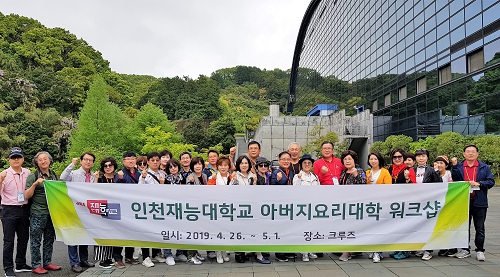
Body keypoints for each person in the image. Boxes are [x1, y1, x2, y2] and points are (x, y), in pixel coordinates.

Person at [451, 145, 495, 261]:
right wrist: (454, 166)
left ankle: (480, 250)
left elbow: (491, 182)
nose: (471, 154)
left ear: (477, 154)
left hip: (479, 201)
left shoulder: (484, 167)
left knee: (479, 227)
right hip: (463, 201)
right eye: (468, 152)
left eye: (473, 152)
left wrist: (479, 183)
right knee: (464, 227)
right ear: (464, 154)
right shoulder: (459, 166)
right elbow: (455, 180)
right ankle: (465, 249)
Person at [24, 151, 62, 274]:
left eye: (45, 159)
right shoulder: (33, 176)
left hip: (52, 212)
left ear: (50, 161)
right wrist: (35, 184)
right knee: (36, 240)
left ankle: (47, 262)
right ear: (36, 162)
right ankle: (36, 265)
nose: (43, 161)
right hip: (38, 213)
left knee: (49, 239)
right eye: (40, 160)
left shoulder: (54, 175)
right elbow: (26, 195)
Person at [59, 152, 96, 273]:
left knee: (85, 236)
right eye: (85, 159)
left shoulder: (93, 176)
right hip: (73, 209)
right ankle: (74, 262)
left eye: (90, 160)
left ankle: (83, 260)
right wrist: (71, 165)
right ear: (81, 161)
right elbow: (62, 178)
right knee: (74, 236)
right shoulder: (74, 173)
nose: (88, 162)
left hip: (87, 210)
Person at [0, 147, 32, 277]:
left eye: (18, 157)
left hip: (24, 208)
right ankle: (8, 268)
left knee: (24, 238)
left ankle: (20, 263)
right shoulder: (4, 174)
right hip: (9, 209)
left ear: (23, 159)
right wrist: (1, 180)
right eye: (13, 157)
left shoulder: (28, 172)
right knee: (9, 240)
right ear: (9, 160)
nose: (16, 159)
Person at [412, 149, 442, 261]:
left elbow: (439, 184)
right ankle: (420, 247)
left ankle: (428, 250)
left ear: (427, 158)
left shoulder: (431, 170)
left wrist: (437, 172)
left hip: (428, 202)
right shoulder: (411, 169)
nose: (420, 158)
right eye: (418, 156)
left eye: (423, 156)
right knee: (418, 226)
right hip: (415, 202)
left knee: (428, 226)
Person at [113, 152, 141, 268]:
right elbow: (115, 190)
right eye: (128, 159)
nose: (131, 161)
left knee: (131, 232)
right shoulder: (120, 174)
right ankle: (118, 258)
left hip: (134, 208)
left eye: (133, 159)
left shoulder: (139, 173)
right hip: (122, 208)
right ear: (123, 161)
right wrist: (119, 179)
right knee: (120, 233)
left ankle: (129, 256)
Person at [138, 152, 166, 268]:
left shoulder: (162, 174)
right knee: (146, 231)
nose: (155, 162)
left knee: (157, 231)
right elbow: (139, 190)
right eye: (152, 160)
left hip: (159, 207)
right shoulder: (145, 175)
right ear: (148, 162)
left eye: (157, 160)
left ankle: (155, 253)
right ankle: (145, 257)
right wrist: (143, 178)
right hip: (147, 207)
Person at [338, 150, 367, 262]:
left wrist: (356, 176)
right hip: (344, 204)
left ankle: (347, 251)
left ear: (354, 160)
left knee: (351, 227)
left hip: (356, 205)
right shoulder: (344, 173)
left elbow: (364, 185)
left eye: (349, 159)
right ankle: (351, 250)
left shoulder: (359, 171)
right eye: (345, 159)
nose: (347, 161)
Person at [387, 148, 416, 260]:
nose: (397, 159)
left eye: (399, 157)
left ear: (403, 158)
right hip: (393, 203)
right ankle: (398, 248)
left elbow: (414, 187)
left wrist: (408, 178)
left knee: (405, 227)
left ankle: (405, 250)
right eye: (395, 157)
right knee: (396, 227)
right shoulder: (389, 169)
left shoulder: (408, 170)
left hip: (405, 203)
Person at [365, 152, 391, 262]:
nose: (373, 161)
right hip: (370, 205)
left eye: (375, 159)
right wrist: (369, 180)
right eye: (371, 159)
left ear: (379, 160)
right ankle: (373, 249)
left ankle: (378, 251)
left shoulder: (385, 172)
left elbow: (388, 188)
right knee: (371, 228)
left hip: (382, 204)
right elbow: (364, 189)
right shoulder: (367, 172)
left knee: (380, 228)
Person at [292, 154, 319, 262]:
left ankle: (311, 250)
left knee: (312, 229)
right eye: (304, 163)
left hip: (313, 207)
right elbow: (295, 191)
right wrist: (299, 180)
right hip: (302, 207)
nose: (307, 165)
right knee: (303, 229)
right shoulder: (297, 176)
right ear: (301, 165)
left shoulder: (315, 177)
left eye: (309, 163)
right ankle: (304, 253)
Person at [92, 157, 118, 269]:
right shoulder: (101, 178)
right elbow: (93, 191)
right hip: (103, 207)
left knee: (112, 232)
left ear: (114, 166)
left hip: (116, 207)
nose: (108, 168)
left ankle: (109, 257)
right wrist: (96, 179)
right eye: (105, 166)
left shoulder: (118, 178)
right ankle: (102, 259)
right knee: (102, 232)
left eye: (110, 165)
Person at [270, 151, 295, 262]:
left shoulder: (291, 173)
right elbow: (271, 188)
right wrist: (278, 180)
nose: (286, 161)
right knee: (280, 228)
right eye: (283, 159)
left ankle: (288, 250)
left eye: (288, 159)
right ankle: (279, 252)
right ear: (279, 161)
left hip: (290, 204)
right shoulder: (276, 172)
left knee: (288, 228)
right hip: (279, 205)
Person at [434, 155, 456, 257]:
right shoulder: (433, 173)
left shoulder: (449, 174)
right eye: (437, 163)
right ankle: (443, 246)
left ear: (446, 165)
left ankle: (452, 247)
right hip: (437, 203)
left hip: (448, 202)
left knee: (449, 225)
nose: (439, 165)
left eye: (441, 163)